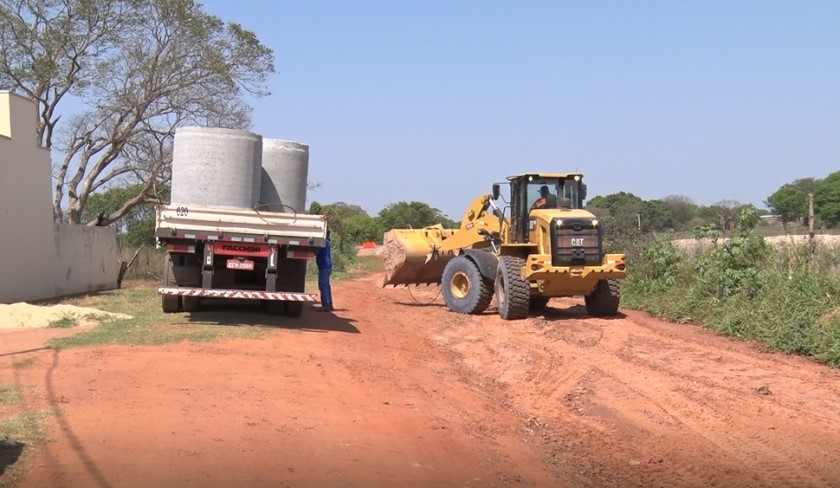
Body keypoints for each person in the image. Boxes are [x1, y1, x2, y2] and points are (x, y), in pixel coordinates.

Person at [315, 229, 333, 312]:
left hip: (324, 266)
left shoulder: (324, 242)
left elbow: (316, 251)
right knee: (325, 284)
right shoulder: (326, 242)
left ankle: (326, 304)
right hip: (326, 266)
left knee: (323, 284)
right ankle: (329, 304)